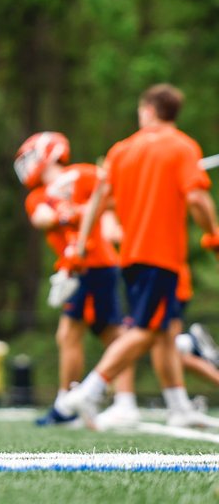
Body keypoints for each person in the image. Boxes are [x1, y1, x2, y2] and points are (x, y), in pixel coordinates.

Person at [59, 84, 219, 429]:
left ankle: (178, 406)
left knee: (165, 330)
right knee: (146, 330)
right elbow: (197, 200)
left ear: (148, 110)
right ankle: (91, 388)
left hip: (130, 257)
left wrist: (82, 244)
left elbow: (99, 202)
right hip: (161, 256)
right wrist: (214, 233)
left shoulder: (121, 150)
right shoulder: (183, 147)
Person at [13, 132, 137, 428]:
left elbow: (111, 198)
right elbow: (42, 217)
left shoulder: (82, 174)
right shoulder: (38, 196)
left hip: (97, 265)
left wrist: (82, 211)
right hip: (76, 269)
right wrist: (66, 213)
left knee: (86, 334)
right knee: (103, 336)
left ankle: (83, 403)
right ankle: (102, 401)